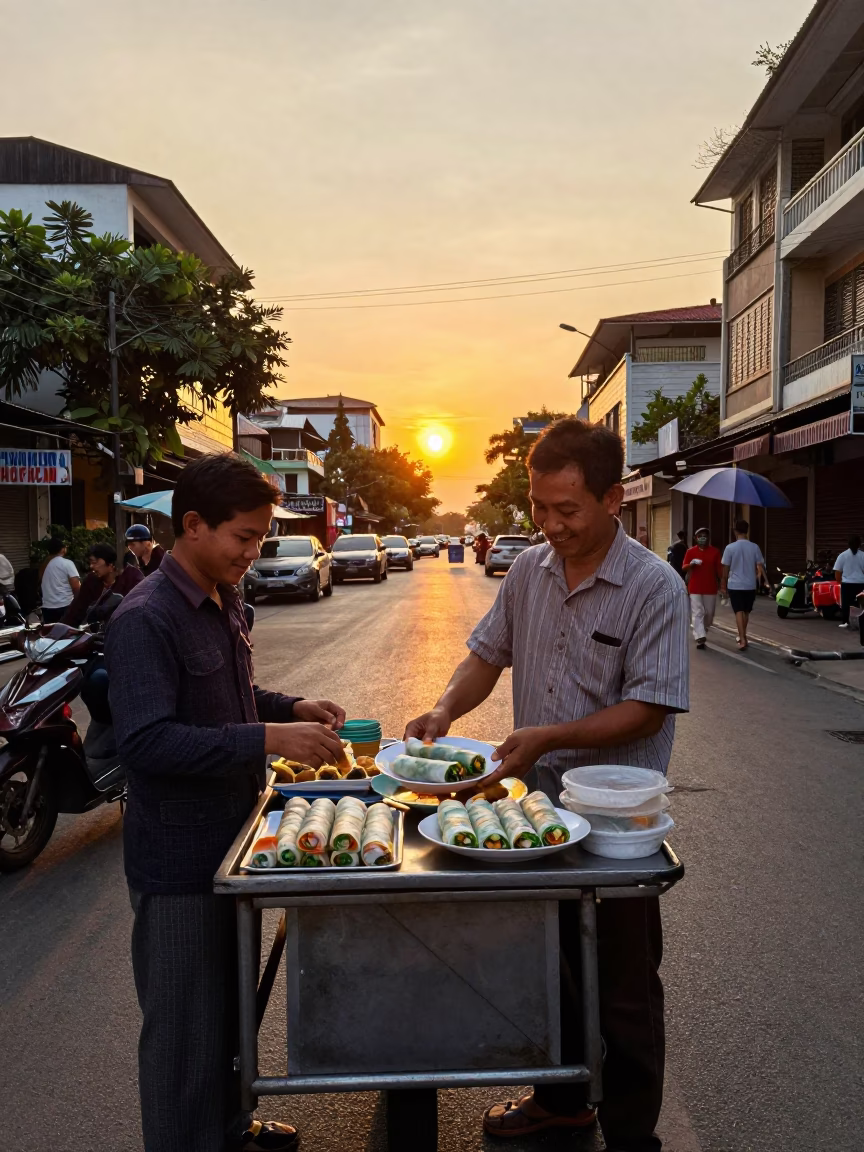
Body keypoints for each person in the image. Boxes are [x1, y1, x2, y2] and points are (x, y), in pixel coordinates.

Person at [405, 418, 689, 1152]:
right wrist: (443, 707)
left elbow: (649, 705)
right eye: (540, 508)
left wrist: (550, 737)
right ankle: (563, 1103)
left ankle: (633, 1134)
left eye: (569, 510)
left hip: (616, 820)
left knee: (625, 985)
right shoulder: (528, 571)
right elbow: (484, 657)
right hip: (532, 814)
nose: (551, 525)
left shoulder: (654, 585)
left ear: (614, 498)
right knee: (550, 963)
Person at [106, 452, 347, 1152]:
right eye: (243, 537)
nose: (253, 552)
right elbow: (148, 743)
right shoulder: (144, 619)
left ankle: (230, 1128)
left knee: (227, 1011)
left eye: (260, 539)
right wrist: (268, 736)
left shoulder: (224, 597)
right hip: (179, 863)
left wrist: (291, 705)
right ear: (192, 526)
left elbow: (228, 700)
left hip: (235, 848)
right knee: (182, 1031)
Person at [64, 543, 144, 627]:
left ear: (110, 564)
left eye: (94, 562)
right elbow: (76, 610)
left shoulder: (133, 578)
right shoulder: (91, 580)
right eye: (90, 562)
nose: (91, 566)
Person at [721, 519, 766, 651]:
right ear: (747, 530)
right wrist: (759, 577)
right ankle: (743, 636)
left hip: (735, 584)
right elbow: (760, 565)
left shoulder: (730, 548)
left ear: (735, 531)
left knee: (738, 611)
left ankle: (742, 638)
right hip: (750, 584)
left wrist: (723, 583)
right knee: (746, 611)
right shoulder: (754, 547)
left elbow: (725, 568)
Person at [682, 527, 723, 649]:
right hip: (694, 587)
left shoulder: (715, 552)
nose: (702, 538)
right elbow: (684, 567)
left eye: (704, 535)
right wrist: (691, 564)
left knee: (709, 613)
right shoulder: (690, 552)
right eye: (700, 536)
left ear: (708, 538)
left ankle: (703, 630)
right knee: (698, 612)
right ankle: (699, 636)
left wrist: (723, 586)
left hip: (710, 588)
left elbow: (719, 571)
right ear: (696, 538)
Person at [40, 537, 81, 623]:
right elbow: (76, 587)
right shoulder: (67, 563)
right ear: (62, 549)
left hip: (47, 608)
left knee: (51, 634)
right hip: (64, 606)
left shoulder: (44, 565)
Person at [834, 533, 864, 628]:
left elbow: (838, 572)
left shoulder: (842, 555)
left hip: (847, 584)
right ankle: (860, 622)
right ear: (859, 544)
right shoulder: (863, 555)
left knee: (846, 604)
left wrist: (839, 581)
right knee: (860, 604)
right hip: (861, 584)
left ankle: (846, 622)